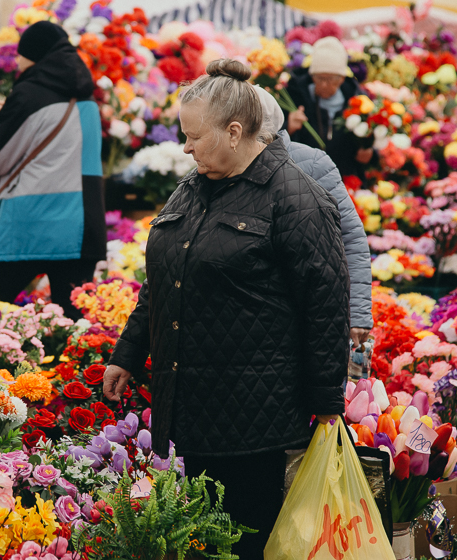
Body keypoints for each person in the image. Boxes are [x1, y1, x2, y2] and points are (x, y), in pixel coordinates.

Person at [103, 59, 351, 559]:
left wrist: (327, 407)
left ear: (234, 131)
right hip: (194, 407)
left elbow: (326, 306)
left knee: (244, 540)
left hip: (255, 417)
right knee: (204, 541)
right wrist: (127, 353)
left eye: (194, 136)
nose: (186, 146)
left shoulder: (295, 198)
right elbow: (163, 281)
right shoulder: (194, 188)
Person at [0, 20, 104, 319]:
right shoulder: (87, 98)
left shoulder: (30, 93)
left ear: (33, 55)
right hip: (80, 230)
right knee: (75, 332)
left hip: (29, 225)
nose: (17, 63)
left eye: (20, 55)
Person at [256, 86, 373, 346]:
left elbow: (351, 236)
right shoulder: (221, 169)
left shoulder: (313, 162)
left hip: (312, 312)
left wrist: (358, 313)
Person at [286, 36, 369, 178]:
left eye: (330, 79)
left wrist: (369, 152)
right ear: (312, 76)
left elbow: (369, 141)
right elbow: (274, 139)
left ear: (341, 78)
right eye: (319, 78)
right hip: (304, 179)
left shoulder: (357, 101)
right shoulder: (294, 98)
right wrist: (288, 127)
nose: (324, 84)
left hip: (345, 178)